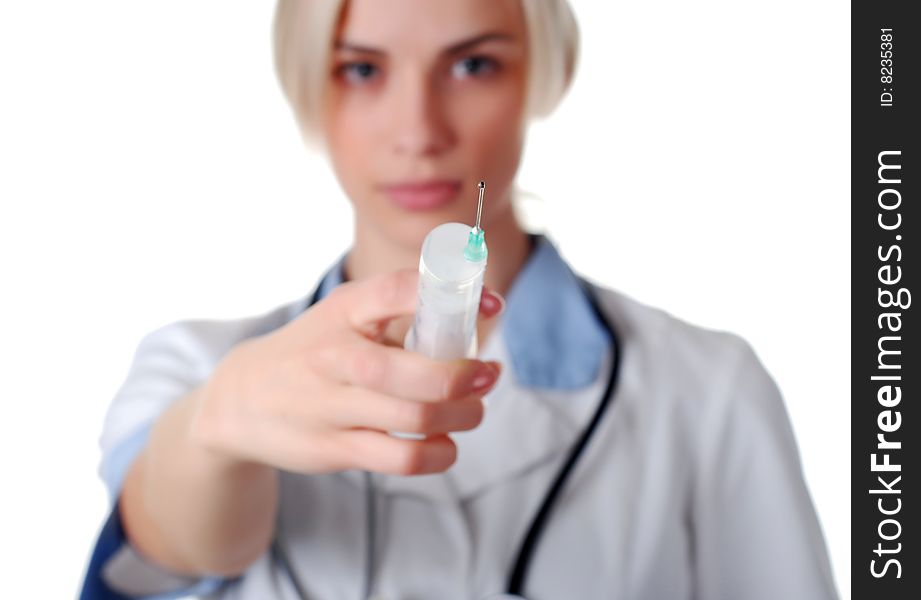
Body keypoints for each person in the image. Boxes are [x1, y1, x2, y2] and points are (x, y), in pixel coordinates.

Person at [81, 1, 839, 598]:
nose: (418, 131)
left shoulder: (704, 392)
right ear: (305, 78)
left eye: (473, 64)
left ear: (546, 71)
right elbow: (169, 556)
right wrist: (219, 424)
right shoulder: (197, 369)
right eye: (361, 70)